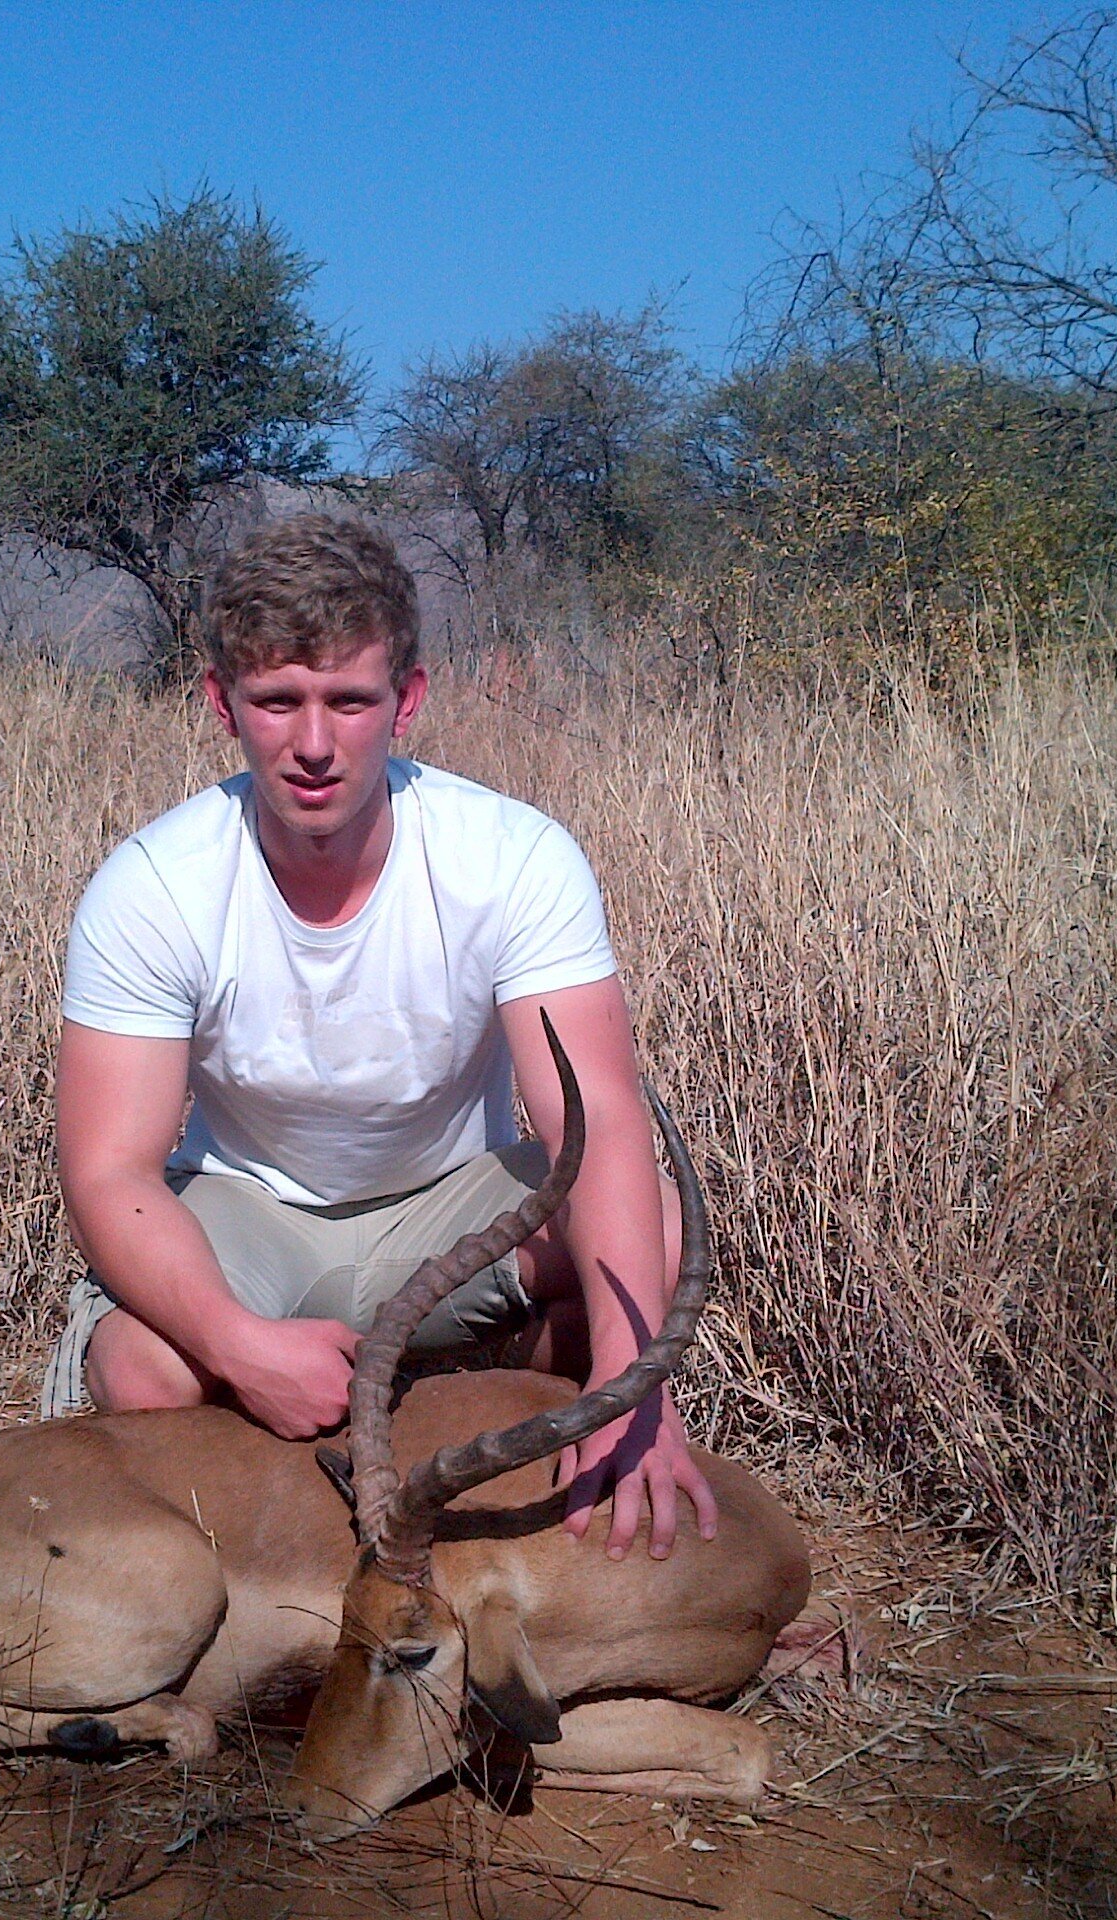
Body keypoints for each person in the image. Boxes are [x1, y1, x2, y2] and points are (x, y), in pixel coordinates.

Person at [40, 514, 716, 1560]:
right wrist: (235, 1342)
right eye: (278, 702)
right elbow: (108, 1169)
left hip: (449, 1214)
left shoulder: (513, 857)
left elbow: (604, 1124)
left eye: (349, 701)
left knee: (651, 1234)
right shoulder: (153, 884)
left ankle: (428, 1392)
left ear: (406, 700)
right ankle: (302, 1494)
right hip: (255, 1212)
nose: (315, 744)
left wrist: (634, 1389)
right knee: (143, 1371)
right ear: (222, 705)